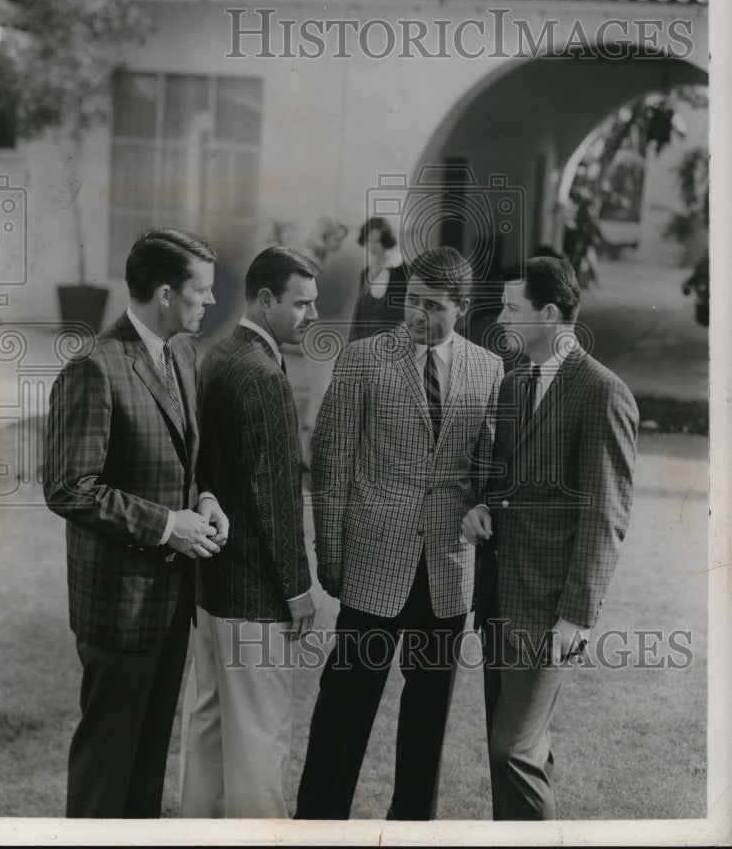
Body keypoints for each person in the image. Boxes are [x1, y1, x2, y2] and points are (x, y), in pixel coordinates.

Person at [296, 246, 503, 820]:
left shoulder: (488, 369)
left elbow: (488, 468)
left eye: (432, 306)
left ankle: (413, 828)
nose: (415, 315)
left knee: (427, 723)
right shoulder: (362, 359)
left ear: (460, 307)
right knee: (343, 712)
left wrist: (484, 510)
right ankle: (317, 825)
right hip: (371, 569)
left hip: (447, 571)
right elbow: (332, 462)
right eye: (411, 301)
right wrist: (330, 552)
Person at [43, 227, 228, 818]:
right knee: (107, 772)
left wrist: (204, 500)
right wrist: (166, 526)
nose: (212, 302)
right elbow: (70, 488)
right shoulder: (94, 366)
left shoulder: (181, 353)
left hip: (171, 602)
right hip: (118, 608)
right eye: (203, 291)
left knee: (147, 769)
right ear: (168, 293)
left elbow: (183, 461)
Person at [463, 256, 638, 821]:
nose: (500, 317)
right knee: (518, 749)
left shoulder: (603, 392)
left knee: (511, 748)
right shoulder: (515, 384)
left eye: (513, 307)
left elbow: (604, 516)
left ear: (552, 314)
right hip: (497, 599)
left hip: (548, 611)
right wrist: (480, 509)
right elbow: (500, 481)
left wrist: (576, 618)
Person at [179, 246, 319, 818]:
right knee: (262, 740)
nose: (310, 316)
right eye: (301, 304)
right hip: (256, 595)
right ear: (265, 300)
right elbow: (275, 498)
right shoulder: (261, 375)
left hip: (212, 589)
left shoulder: (218, 355)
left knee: (208, 732)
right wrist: (297, 588)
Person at [348, 216, 407, 342]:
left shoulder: (400, 270)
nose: (373, 246)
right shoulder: (365, 273)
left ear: (386, 241)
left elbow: (402, 312)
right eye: (370, 241)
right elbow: (359, 313)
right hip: (364, 339)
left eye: (377, 241)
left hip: (390, 340)